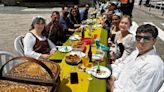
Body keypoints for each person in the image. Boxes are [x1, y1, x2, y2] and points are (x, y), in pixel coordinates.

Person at [108, 24, 164, 92]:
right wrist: (114, 77)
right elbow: (123, 65)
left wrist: (113, 89)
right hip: (115, 83)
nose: (141, 41)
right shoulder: (136, 52)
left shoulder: (153, 67)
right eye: (138, 37)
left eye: (146, 39)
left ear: (154, 41)